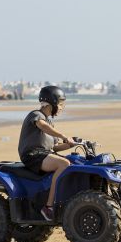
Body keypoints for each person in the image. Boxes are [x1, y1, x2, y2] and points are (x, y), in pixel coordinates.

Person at [18, 86, 77, 220]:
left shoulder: (49, 122)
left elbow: (55, 147)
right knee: (64, 164)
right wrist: (63, 136)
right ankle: (49, 207)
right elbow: (41, 125)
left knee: (73, 161)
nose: (62, 108)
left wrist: (69, 144)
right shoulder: (36, 115)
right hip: (33, 155)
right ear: (52, 103)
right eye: (61, 104)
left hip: (45, 154)